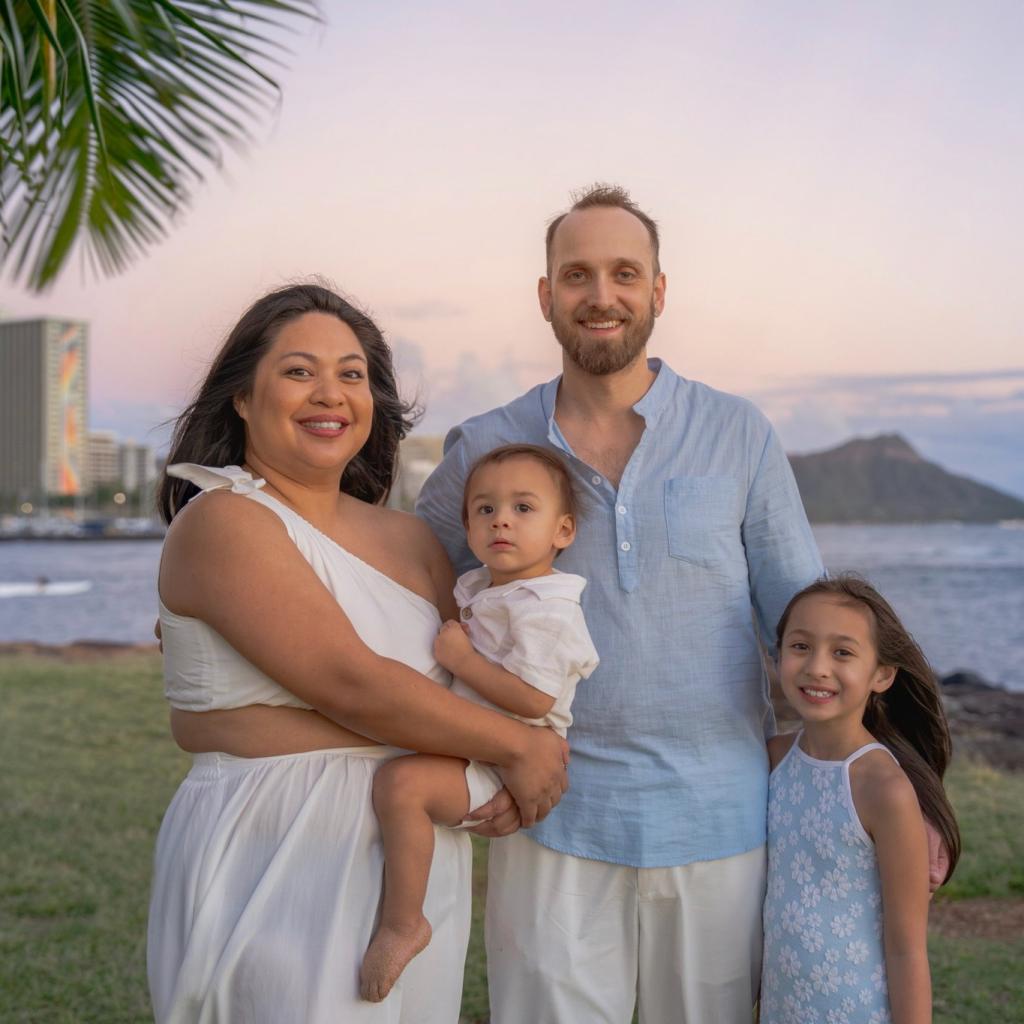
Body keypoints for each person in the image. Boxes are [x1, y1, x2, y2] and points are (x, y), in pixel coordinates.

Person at [416, 185, 825, 1022]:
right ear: (546, 297)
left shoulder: (737, 432)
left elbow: (807, 626)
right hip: (548, 815)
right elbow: (404, 583)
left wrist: (885, 779)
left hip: (719, 820)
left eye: (624, 273)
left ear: (658, 291)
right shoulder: (486, 442)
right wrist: (257, 579)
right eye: (577, 275)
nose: (601, 296)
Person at [146, 283, 568, 1023]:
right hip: (275, 848)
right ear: (242, 395)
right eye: (299, 371)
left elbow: (475, 672)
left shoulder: (410, 540)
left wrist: (505, 740)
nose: (331, 394)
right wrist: (518, 750)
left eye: (352, 374)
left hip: (412, 866)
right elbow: (355, 683)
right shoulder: (224, 521)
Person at [360, 443, 599, 1002]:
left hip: (508, 758)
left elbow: (536, 698)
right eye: (485, 510)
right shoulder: (477, 587)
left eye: (523, 508)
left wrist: (463, 661)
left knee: (403, 786)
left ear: (562, 531)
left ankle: (404, 923)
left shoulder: (547, 606)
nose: (502, 521)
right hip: (472, 742)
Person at [761, 575, 960, 1024]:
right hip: (783, 1007)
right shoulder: (774, 759)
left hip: (857, 1010)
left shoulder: (883, 789)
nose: (817, 667)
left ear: (882, 674)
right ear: (778, 655)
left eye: (843, 652)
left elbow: (907, 949)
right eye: (800, 646)